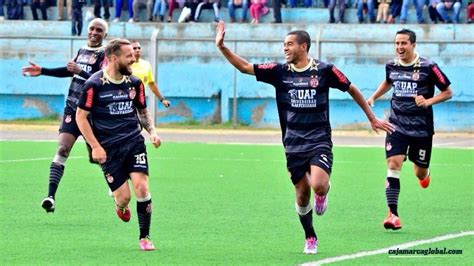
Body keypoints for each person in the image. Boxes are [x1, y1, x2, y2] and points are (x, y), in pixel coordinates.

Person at [215, 21, 393, 254]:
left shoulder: (325, 70)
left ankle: (323, 194)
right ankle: (310, 236)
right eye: (284, 45)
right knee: (301, 195)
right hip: (293, 142)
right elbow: (245, 67)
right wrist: (222, 47)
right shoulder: (279, 72)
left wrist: (371, 118)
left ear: (304, 46)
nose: (285, 49)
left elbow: (351, 88)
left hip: (319, 138)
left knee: (318, 186)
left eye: (289, 44)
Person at [76, 38, 161, 251]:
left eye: (134, 55)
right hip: (109, 149)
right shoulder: (93, 85)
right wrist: (95, 146)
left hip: (134, 143)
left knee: (142, 187)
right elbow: (81, 117)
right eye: (129, 56)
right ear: (113, 58)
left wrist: (152, 132)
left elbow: (142, 111)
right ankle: (118, 204)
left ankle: (145, 237)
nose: (134, 59)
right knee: (124, 197)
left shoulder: (134, 83)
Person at [367, 29, 452, 231]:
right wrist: (374, 97)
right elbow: (389, 81)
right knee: (393, 163)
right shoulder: (391, 65)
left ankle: (425, 173)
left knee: (419, 172)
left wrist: (428, 101)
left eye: (404, 43)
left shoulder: (429, 67)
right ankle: (392, 214)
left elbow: (448, 92)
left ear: (413, 45)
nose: (399, 47)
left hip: (421, 128)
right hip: (396, 123)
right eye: (397, 43)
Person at [21, 18, 109, 213]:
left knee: (97, 156)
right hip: (72, 108)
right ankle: (50, 197)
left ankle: (116, 188)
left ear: (105, 35)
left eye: (99, 30)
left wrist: (81, 71)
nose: (94, 32)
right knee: (62, 149)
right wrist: (43, 70)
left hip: (92, 113)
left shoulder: (106, 55)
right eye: (92, 29)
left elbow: (103, 82)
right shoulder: (83, 50)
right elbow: (71, 72)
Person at [130, 40, 171, 108]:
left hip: (141, 100)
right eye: (134, 48)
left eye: (139, 48)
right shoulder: (125, 65)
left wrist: (162, 99)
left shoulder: (146, 64)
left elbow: (151, 84)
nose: (137, 50)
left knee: (146, 118)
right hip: (127, 99)